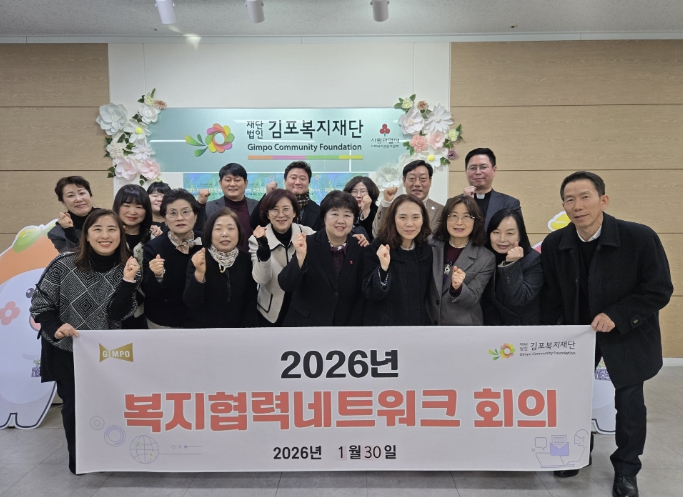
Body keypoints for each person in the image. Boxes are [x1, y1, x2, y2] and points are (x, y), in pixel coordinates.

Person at [540, 171, 673, 497]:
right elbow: (551, 296)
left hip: (627, 332)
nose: (578, 206)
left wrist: (618, 315)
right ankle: (576, 452)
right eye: (569, 200)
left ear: (603, 200)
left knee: (629, 404)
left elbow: (659, 289)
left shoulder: (639, 237)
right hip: (577, 336)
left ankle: (627, 469)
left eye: (585, 197)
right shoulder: (556, 244)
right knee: (572, 398)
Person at [30, 209, 140, 475]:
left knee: (106, 404)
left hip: (105, 353)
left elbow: (118, 314)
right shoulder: (64, 263)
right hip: (66, 349)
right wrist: (56, 327)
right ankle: (80, 460)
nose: (105, 235)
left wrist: (127, 281)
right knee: (74, 406)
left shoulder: (129, 267)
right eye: (97, 229)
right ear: (86, 235)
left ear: (121, 234)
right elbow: (40, 304)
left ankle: (107, 455)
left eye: (112, 229)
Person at [278, 191, 365, 326]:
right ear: (324, 217)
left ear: (354, 220)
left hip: (344, 326)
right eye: (334, 214)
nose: (340, 221)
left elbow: (362, 293)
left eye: (347, 215)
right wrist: (299, 257)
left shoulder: (360, 248)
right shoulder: (308, 243)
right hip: (305, 323)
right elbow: (286, 285)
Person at [363, 194, 433, 326]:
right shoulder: (378, 248)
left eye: (416, 217)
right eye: (402, 217)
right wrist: (383, 269)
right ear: (393, 219)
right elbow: (371, 293)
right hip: (385, 329)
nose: (409, 224)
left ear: (423, 219)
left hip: (418, 327)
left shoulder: (426, 251)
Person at [248, 189, 314, 326]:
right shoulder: (256, 239)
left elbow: (330, 242)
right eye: (274, 210)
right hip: (270, 311)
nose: (281, 215)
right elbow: (261, 279)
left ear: (294, 212)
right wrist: (264, 249)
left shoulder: (308, 234)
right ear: (267, 214)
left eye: (286, 209)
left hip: (303, 308)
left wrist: (354, 238)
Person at [184, 208, 258, 328]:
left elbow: (250, 300)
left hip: (238, 330)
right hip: (203, 330)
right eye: (218, 229)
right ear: (210, 233)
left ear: (239, 232)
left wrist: (245, 330)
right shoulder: (199, 258)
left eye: (230, 228)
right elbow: (191, 302)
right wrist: (199, 273)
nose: (225, 234)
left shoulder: (247, 260)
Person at [427, 195, 495, 326]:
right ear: (445, 219)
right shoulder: (430, 245)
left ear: (475, 221)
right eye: (453, 216)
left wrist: (458, 288)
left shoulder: (485, 258)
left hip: (463, 327)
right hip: (429, 324)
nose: (459, 222)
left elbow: (473, 298)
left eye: (466, 217)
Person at [142, 189, 202, 329]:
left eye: (185, 212)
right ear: (165, 218)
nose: (179, 218)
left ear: (195, 215)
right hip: (163, 321)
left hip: (200, 319)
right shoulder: (153, 247)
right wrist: (156, 276)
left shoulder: (207, 242)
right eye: (173, 213)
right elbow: (149, 291)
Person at [482, 208, 543, 325]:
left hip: (523, 329)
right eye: (496, 232)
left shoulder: (533, 260)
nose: (502, 239)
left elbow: (519, 299)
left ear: (520, 235)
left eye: (509, 233)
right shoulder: (486, 257)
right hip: (492, 328)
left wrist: (511, 265)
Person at [113, 184, 159, 329]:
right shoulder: (108, 238)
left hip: (147, 311)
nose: (132, 212)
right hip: (112, 307)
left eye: (139, 207)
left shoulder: (155, 238)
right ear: (117, 207)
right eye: (126, 205)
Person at [372, 160, 443, 239]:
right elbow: (377, 233)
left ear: (430, 181)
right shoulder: (394, 207)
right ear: (404, 181)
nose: (417, 184)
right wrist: (386, 203)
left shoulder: (441, 210)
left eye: (422, 179)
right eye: (412, 178)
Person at [196, 163, 258, 250]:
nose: (232, 184)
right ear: (220, 183)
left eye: (237, 180)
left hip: (252, 257)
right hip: (218, 257)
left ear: (246, 183)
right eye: (228, 180)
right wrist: (200, 204)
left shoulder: (257, 206)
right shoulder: (209, 207)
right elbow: (197, 232)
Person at [250, 161, 324, 231]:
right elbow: (255, 224)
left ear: (309, 182)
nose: (298, 182)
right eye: (293, 178)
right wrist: (268, 197)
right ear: (285, 181)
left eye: (302, 179)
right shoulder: (273, 204)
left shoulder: (319, 211)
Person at [461, 148, 522, 230]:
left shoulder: (510, 204)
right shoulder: (452, 203)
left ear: (494, 170)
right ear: (466, 171)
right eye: (473, 168)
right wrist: (464, 202)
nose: (478, 172)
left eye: (483, 167)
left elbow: (518, 235)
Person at [48, 176, 100, 253]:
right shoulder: (57, 233)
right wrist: (69, 232)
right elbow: (71, 259)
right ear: (63, 201)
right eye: (71, 195)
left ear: (90, 194)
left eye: (82, 193)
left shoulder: (110, 219)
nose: (78, 199)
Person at [343, 175, 380, 242]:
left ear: (370, 193)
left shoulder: (379, 212)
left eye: (362, 191)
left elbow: (374, 237)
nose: (358, 195)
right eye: (354, 191)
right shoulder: (344, 212)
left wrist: (366, 210)